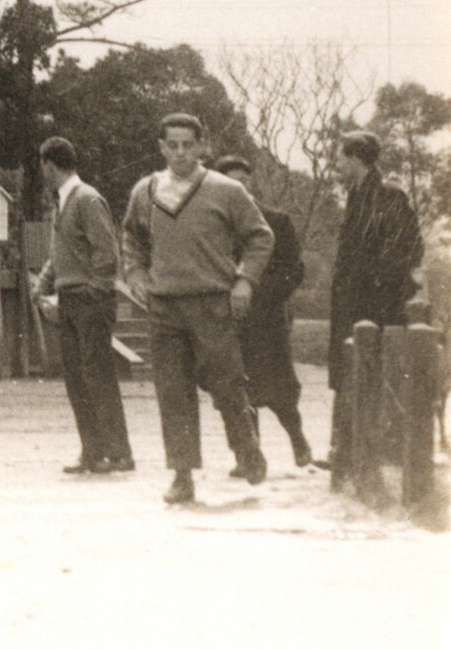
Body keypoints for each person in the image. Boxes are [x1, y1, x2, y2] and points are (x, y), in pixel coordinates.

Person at [120, 109, 272, 506]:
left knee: (226, 385)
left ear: (203, 146)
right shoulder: (146, 190)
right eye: (173, 145)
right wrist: (136, 275)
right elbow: (131, 239)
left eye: (189, 145)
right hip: (164, 307)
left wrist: (244, 280)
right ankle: (183, 475)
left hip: (212, 303)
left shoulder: (226, 190)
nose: (181, 153)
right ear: (161, 147)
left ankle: (246, 448)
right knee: (172, 391)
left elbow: (260, 236)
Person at [326, 130, 424, 486]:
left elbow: (405, 251)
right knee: (347, 373)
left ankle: (360, 450)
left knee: (370, 374)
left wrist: (374, 287)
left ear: (356, 159)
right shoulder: (355, 196)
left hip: (376, 306)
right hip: (351, 303)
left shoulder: (389, 196)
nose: (336, 164)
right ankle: (344, 448)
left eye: (340, 157)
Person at [33, 136, 133, 476]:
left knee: (98, 377)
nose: (41, 171)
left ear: (50, 164)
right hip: (70, 300)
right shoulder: (60, 203)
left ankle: (118, 452)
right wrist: (43, 286)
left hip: (90, 301)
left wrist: (93, 292)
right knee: (77, 379)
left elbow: (107, 254)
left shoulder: (87, 199)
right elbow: (58, 253)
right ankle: (93, 451)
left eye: (42, 165)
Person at [209, 152, 313, 468]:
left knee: (279, 389)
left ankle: (297, 438)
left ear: (250, 184)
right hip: (228, 321)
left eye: (242, 181)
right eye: (229, 183)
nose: (237, 189)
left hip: (268, 319)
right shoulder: (213, 225)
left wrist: (255, 290)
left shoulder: (276, 221)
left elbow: (293, 270)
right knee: (237, 389)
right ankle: (249, 456)